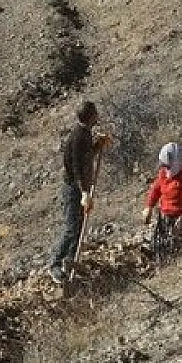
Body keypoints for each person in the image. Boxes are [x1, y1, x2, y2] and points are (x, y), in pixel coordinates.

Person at [50, 100, 111, 283]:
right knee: (71, 228)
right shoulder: (77, 137)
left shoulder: (85, 134)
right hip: (73, 189)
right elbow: (76, 167)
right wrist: (84, 192)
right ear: (91, 116)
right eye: (96, 114)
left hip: (80, 187)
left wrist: (96, 146)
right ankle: (55, 264)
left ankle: (70, 261)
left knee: (78, 227)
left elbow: (86, 158)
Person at [143, 141, 182, 244]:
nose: (165, 169)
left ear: (176, 162)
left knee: (181, 245)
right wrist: (149, 207)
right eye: (164, 166)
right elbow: (156, 189)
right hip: (166, 217)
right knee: (159, 245)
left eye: (168, 166)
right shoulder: (163, 173)